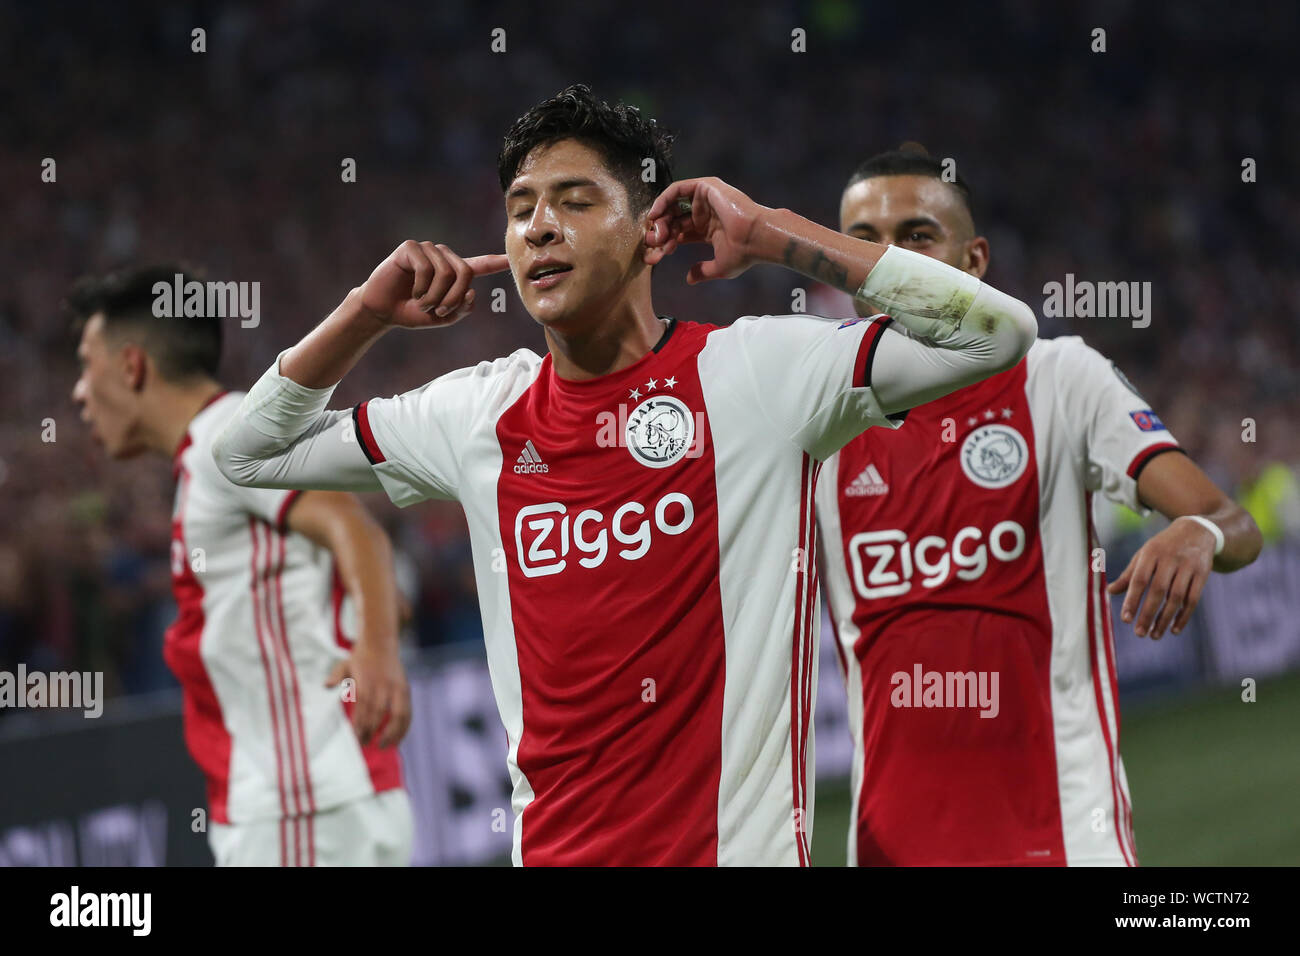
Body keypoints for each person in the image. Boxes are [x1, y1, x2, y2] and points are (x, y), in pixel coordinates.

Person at [213, 86, 1037, 866]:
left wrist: (773, 232)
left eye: (575, 201)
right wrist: (364, 313)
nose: (539, 227)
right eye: (520, 209)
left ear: (651, 232)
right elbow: (249, 453)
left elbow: (996, 332)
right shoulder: (475, 417)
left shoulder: (756, 376)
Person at [814, 146, 1263, 865]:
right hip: (889, 847)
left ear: (974, 261)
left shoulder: (1057, 378)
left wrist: (1201, 531)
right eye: (862, 242)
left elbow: (1235, 524)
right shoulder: (814, 417)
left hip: (1064, 837)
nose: (888, 262)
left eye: (917, 236)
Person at [69, 265, 414, 866]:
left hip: (298, 805)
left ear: (131, 367)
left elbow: (353, 529)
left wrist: (378, 650)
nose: (77, 392)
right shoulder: (214, 449)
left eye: (85, 363)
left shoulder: (219, 445)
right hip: (316, 799)